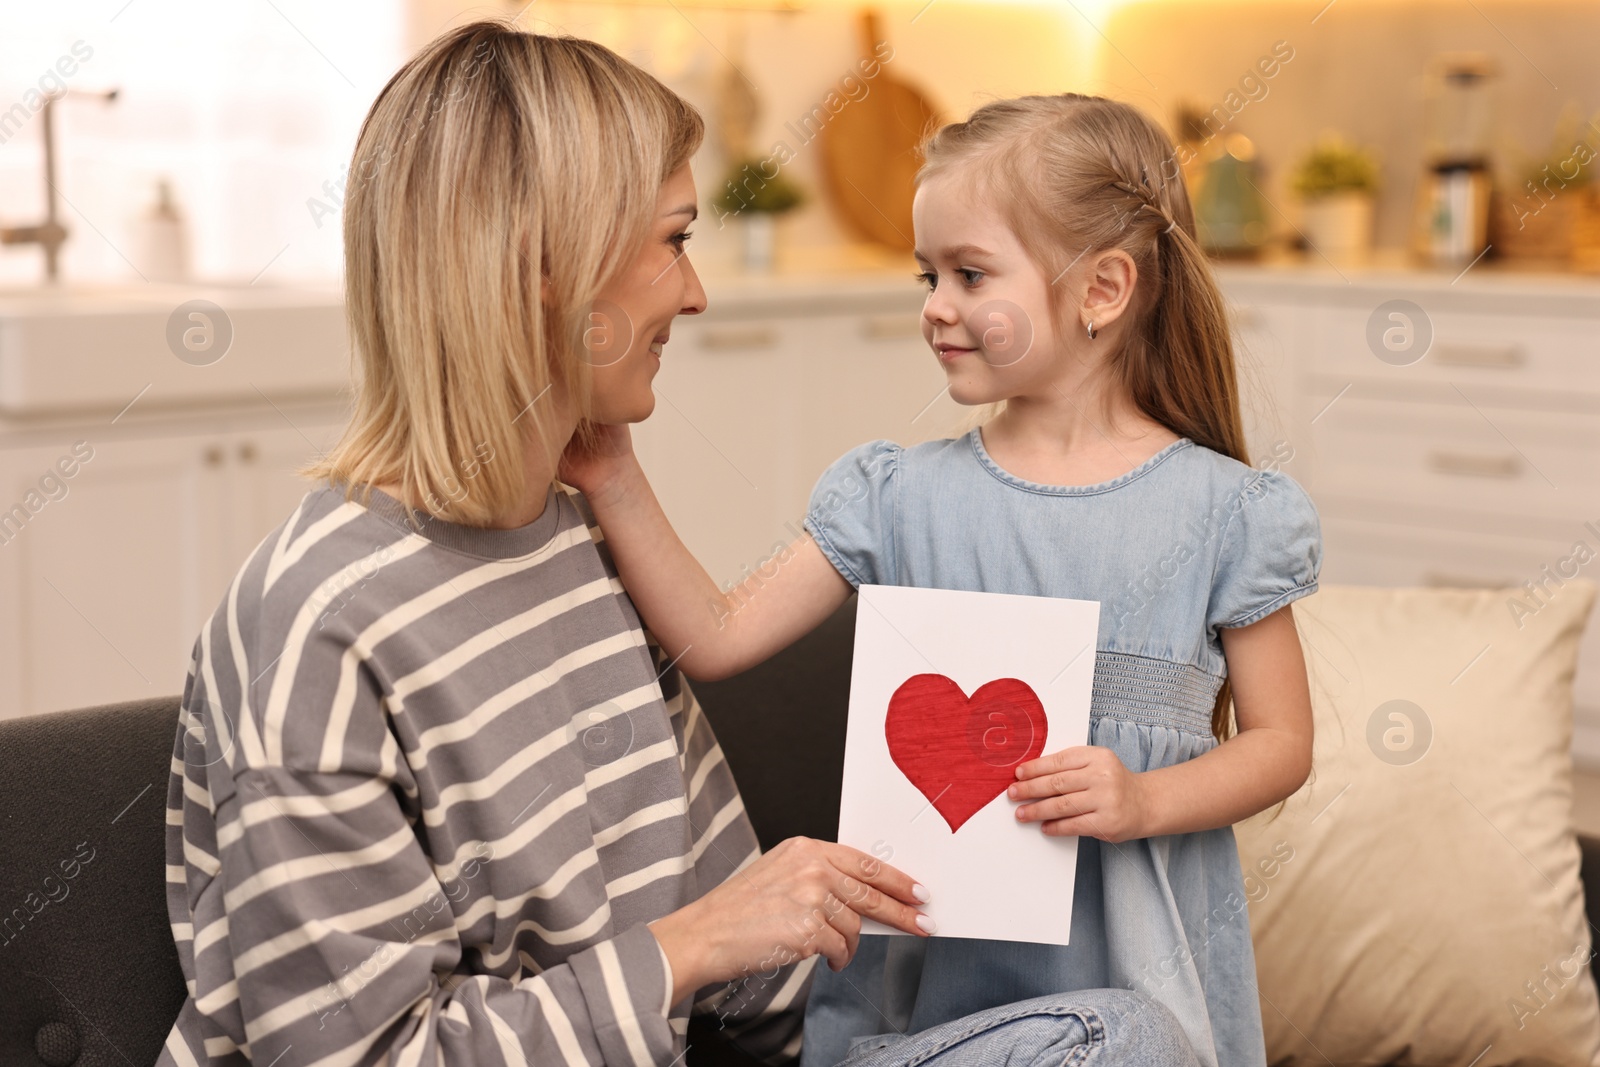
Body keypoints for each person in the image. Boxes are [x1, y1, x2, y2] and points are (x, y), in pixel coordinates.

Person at [156, 23, 1201, 1067]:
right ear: (539, 266)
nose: (694, 293)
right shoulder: (315, 627)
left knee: (1119, 1030)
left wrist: (932, 933)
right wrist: (696, 941)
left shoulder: (572, 546)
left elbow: (743, 960)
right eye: (674, 238)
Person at [560, 94, 1320, 1067]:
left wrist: (1144, 800)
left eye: (969, 273)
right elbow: (714, 633)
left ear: (1101, 289)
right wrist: (613, 470)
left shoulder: (1228, 511)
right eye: (929, 274)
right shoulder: (897, 496)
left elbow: (1282, 741)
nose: (933, 304)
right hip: (933, 1010)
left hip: (1145, 978)